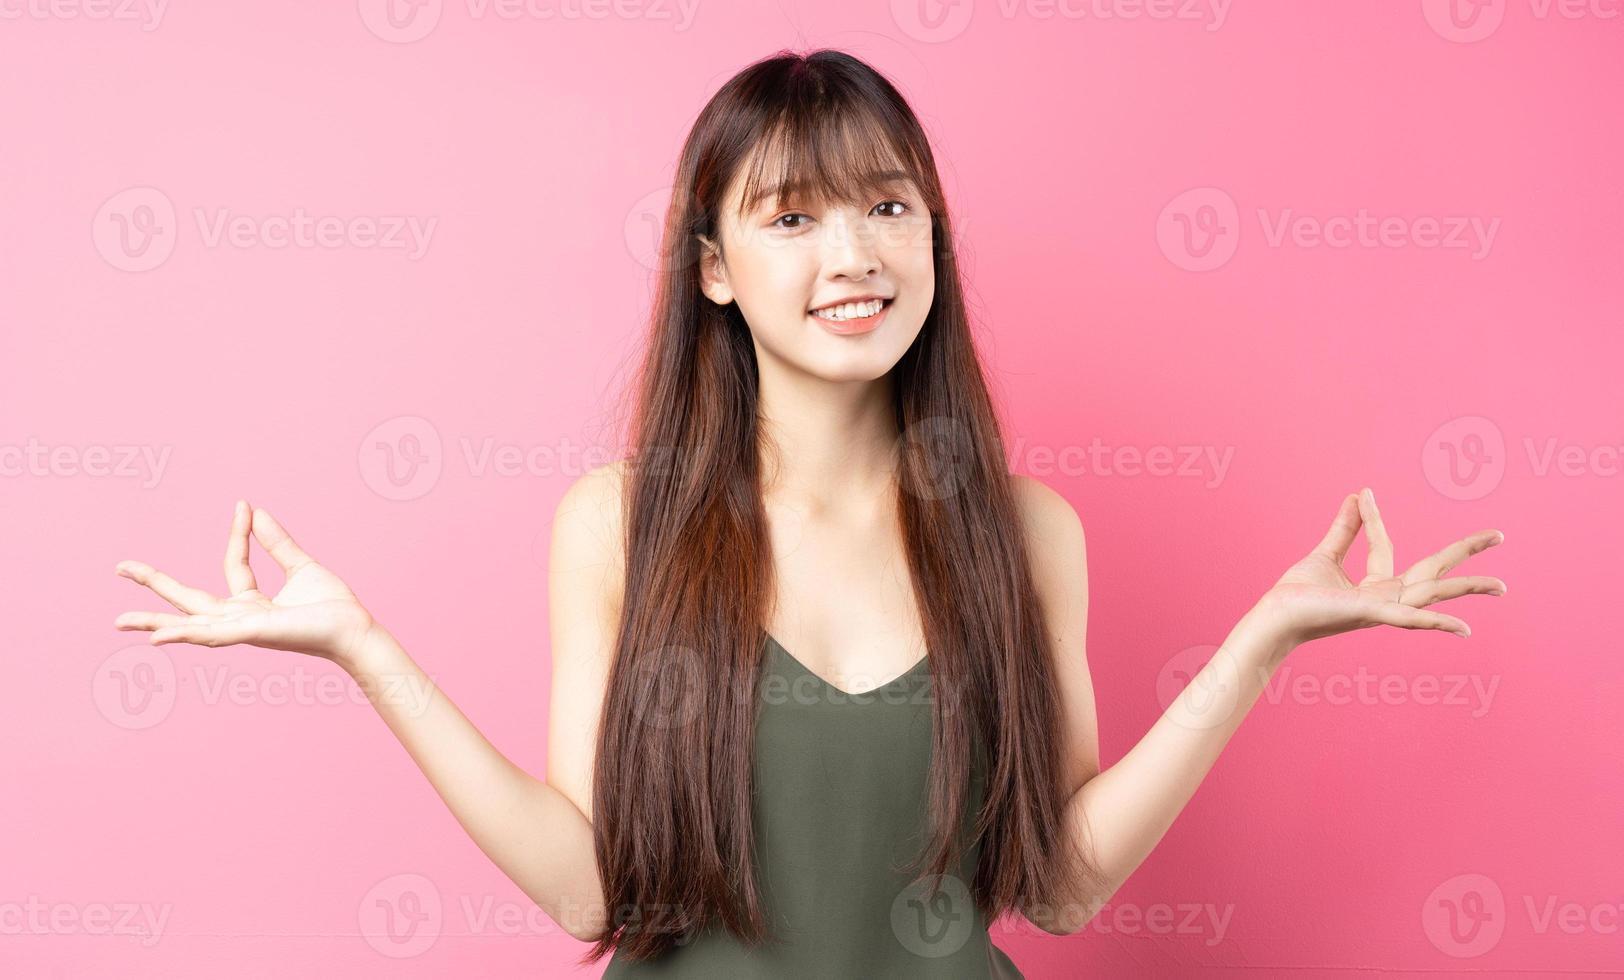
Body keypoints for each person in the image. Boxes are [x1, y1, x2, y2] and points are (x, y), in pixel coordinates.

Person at [111, 48, 1507, 979]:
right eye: (792, 219)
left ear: (933, 238)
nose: (855, 256)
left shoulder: (1027, 534)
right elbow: (592, 893)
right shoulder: (620, 527)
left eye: (889, 207)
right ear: (713, 271)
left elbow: (1065, 886)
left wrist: (1258, 643)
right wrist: (365, 650)